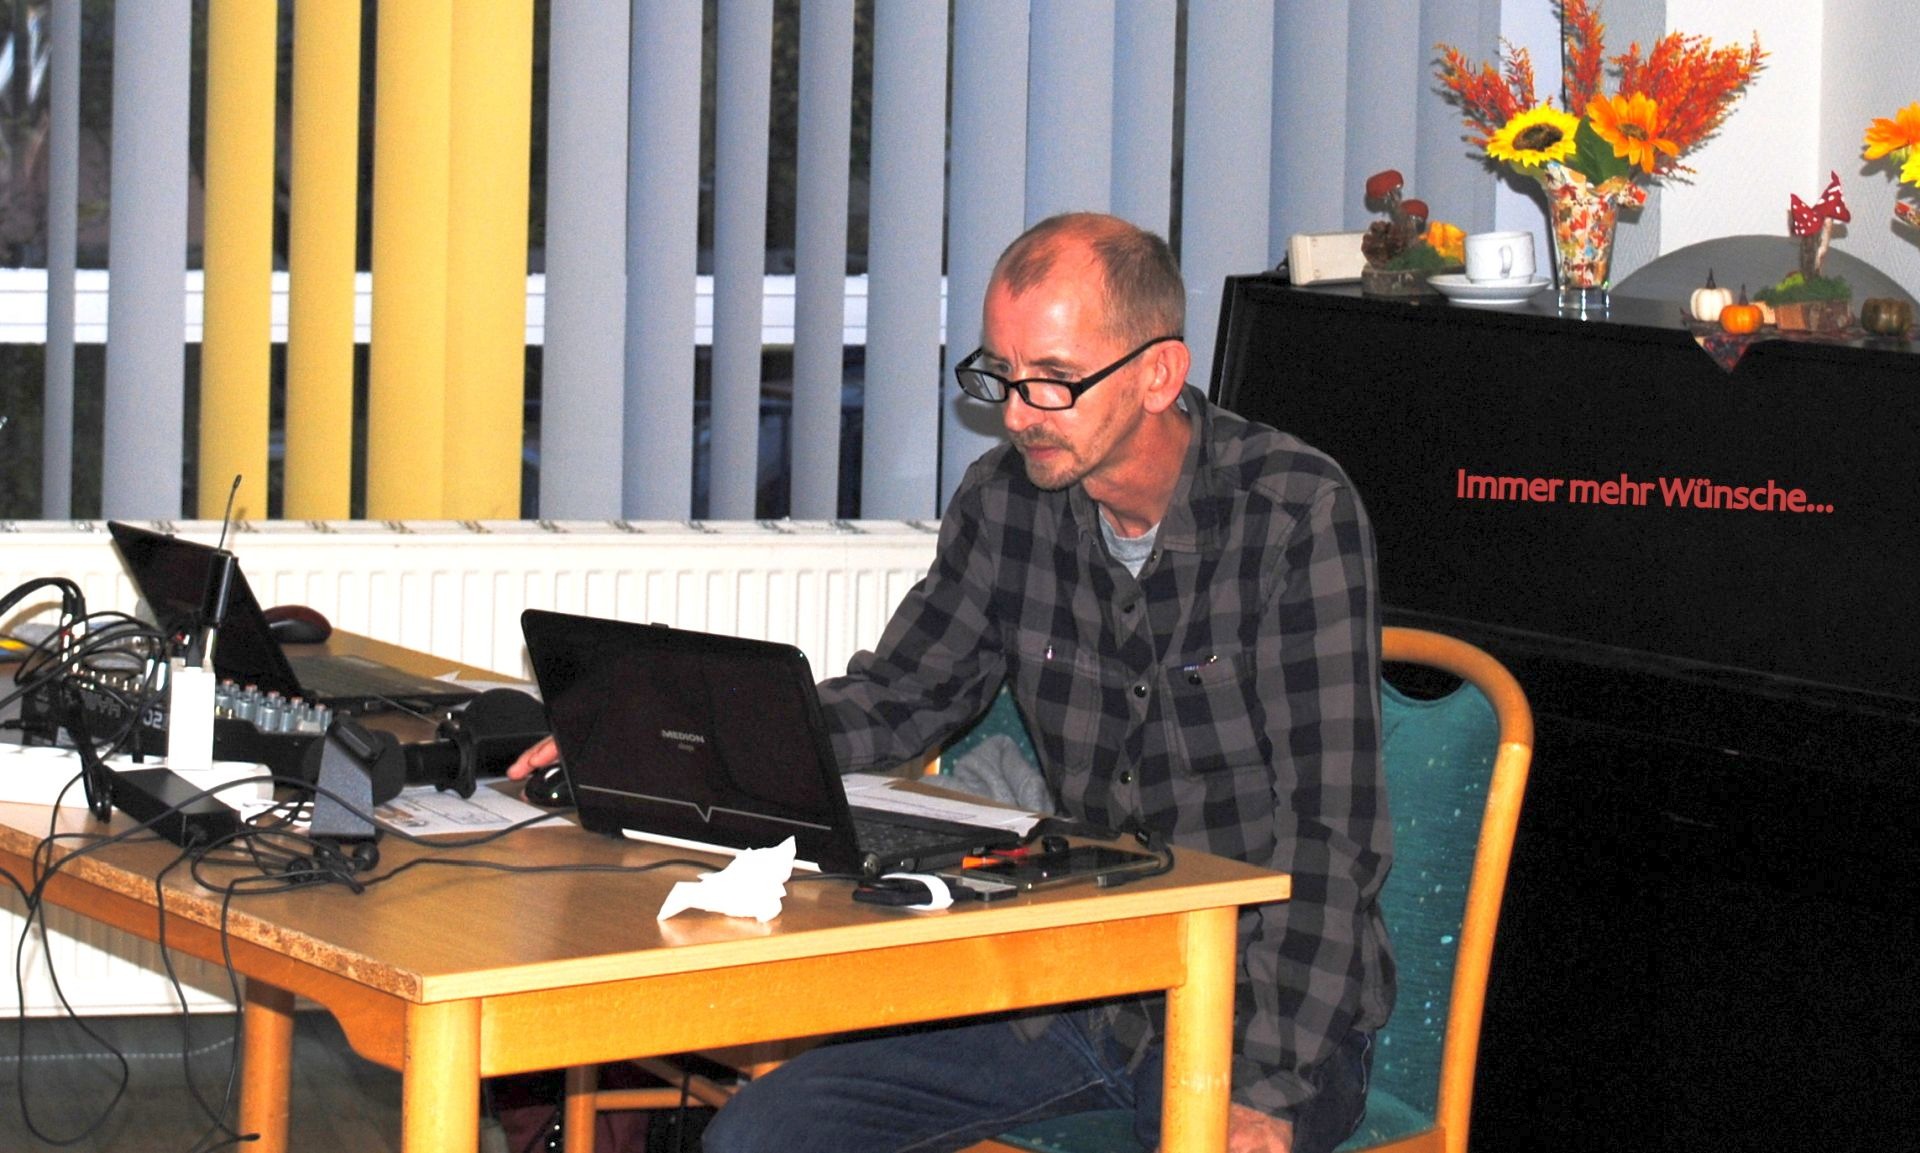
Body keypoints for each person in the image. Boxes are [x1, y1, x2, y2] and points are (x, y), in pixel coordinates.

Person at [512, 212, 1392, 1153]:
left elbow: (1330, 836)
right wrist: (657, 733)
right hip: (1081, 987)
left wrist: (1261, 1088)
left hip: (1255, 1003)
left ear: (1158, 375)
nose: (1015, 413)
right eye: (1000, 375)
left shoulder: (1293, 515)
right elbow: (898, 697)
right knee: (764, 1131)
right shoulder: (1007, 501)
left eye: (1052, 379)